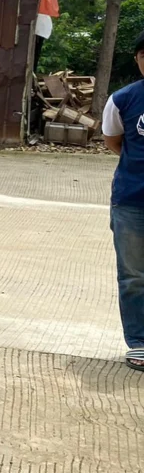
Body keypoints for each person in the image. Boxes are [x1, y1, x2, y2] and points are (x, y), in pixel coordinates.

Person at [101, 29, 144, 372]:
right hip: (131, 202)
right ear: (138, 60)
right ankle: (139, 342)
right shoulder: (123, 99)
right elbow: (113, 140)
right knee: (133, 276)